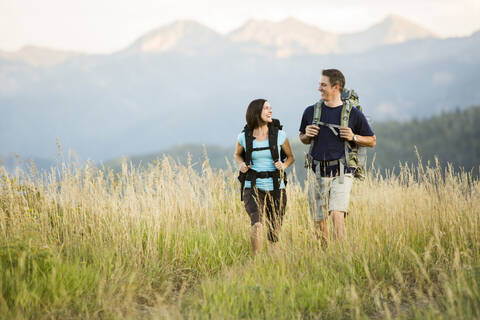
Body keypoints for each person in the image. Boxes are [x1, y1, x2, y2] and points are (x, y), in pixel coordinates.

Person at [299, 69, 376, 244]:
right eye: (320, 84)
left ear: (336, 87)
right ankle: (324, 258)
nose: (319, 88)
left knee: (336, 213)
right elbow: (302, 138)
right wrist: (307, 135)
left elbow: (372, 140)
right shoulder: (310, 111)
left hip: (342, 171)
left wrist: (353, 137)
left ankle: (341, 258)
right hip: (317, 171)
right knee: (319, 221)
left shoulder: (353, 114)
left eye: (323, 85)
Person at [234, 99, 295, 255]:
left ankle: (273, 263)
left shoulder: (280, 135)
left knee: (274, 230)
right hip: (252, 185)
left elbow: (290, 157)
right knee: (257, 223)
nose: (270, 111)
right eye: (266, 109)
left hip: (276, 186)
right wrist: (241, 164)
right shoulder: (244, 137)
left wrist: (284, 165)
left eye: (270, 108)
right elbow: (237, 155)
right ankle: (257, 261)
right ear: (256, 113)